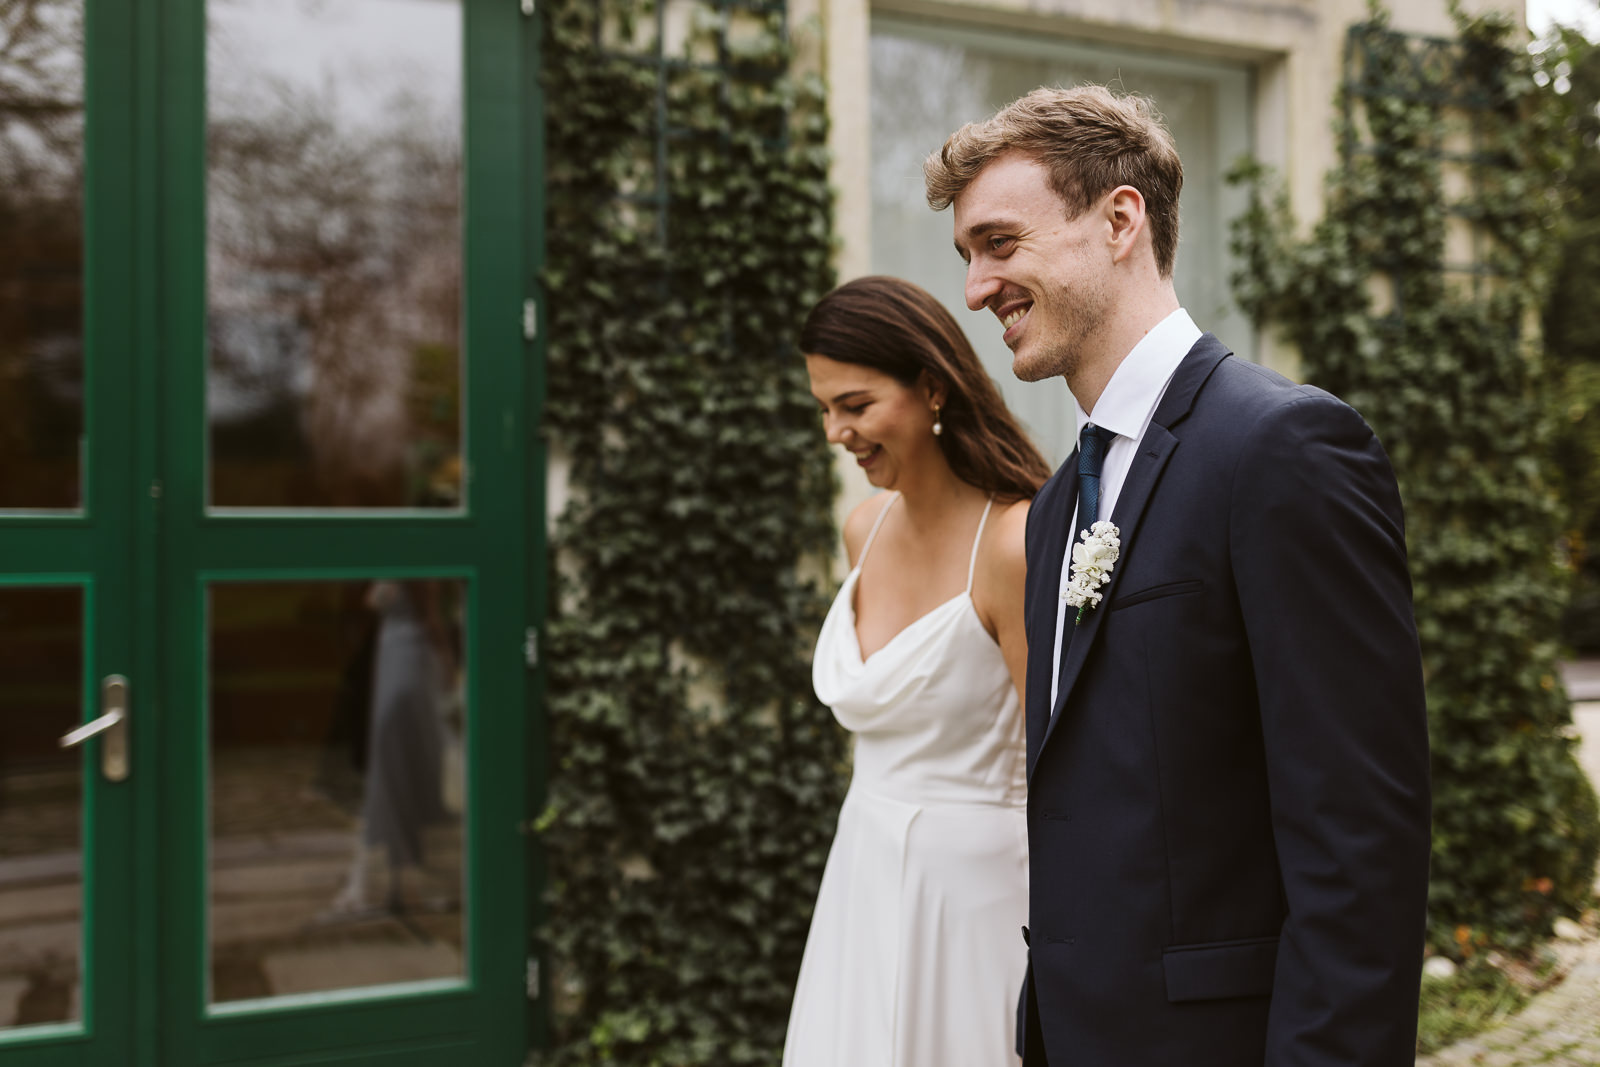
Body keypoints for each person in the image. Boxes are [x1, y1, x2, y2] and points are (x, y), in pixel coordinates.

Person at [924, 86, 1432, 1066]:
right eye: (966, 258)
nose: (977, 288)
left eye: (999, 242)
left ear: (1120, 219)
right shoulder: (1061, 502)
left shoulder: (1283, 448)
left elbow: (1358, 836)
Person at [784, 275, 1052, 1067]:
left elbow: (1061, 764)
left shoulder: (1013, 543)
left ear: (931, 387)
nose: (836, 431)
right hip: (860, 873)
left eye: (856, 405)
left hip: (977, 901)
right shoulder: (862, 529)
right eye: (824, 408)